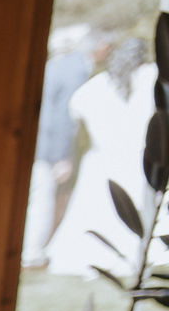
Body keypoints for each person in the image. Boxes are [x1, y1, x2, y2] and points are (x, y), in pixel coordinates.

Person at [47, 37, 158, 278]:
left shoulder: (96, 87)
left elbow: (74, 110)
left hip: (106, 161)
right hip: (130, 159)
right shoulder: (151, 79)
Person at [24, 26, 95, 267]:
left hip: (37, 144)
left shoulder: (52, 67)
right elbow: (63, 117)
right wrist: (61, 156)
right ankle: (32, 252)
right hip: (47, 148)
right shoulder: (73, 70)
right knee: (42, 199)